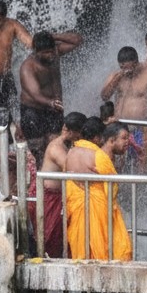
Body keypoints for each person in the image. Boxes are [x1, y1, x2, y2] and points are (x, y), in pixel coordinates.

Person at [64, 119, 132, 293]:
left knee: (87, 274)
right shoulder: (98, 156)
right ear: (98, 138)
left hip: (79, 220)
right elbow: (112, 190)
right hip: (102, 222)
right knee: (117, 283)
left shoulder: (71, 154)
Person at [100, 45, 147, 163]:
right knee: (118, 163)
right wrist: (117, 78)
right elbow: (104, 96)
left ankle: (141, 181)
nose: (127, 72)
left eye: (130, 68)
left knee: (141, 159)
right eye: (123, 68)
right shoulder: (116, 76)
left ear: (136, 63)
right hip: (120, 127)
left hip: (141, 127)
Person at [19, 30, 84, 156]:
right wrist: (51, 102)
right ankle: (37, 174)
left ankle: (54, 173)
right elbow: (35, 94)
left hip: (54, 109)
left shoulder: (56, 53)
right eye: (45, 53)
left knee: (57, 143)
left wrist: (53, 37)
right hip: (33, 112)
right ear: (36, 52)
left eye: (51, 51)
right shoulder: (28, 67)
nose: (50, 55)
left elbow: (78, 40)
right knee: (37, 148)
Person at [38, 111, 86, 261]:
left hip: (60, 197)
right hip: (50, 198)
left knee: (61, 236)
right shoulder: (56, 148)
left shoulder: (67, 145)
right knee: (51, 237)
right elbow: (72, 169)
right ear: (71, 131)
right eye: (79, 135)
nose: (80, 139)